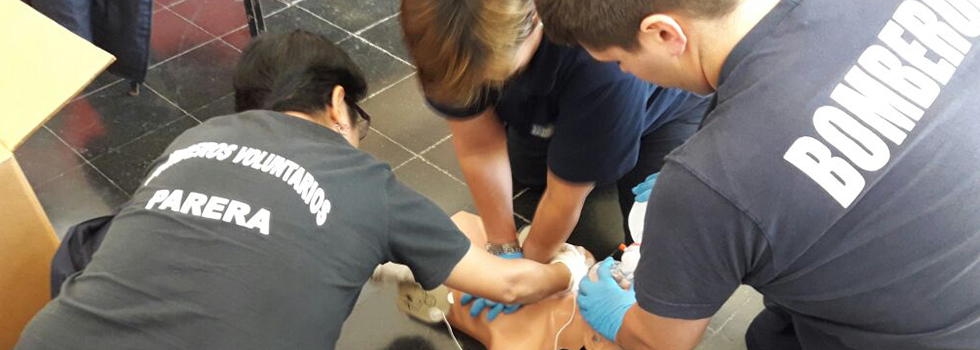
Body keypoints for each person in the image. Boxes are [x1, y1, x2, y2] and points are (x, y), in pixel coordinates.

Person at [14, 30, 588, 350]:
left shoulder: (195, 139)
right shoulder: (365, 182)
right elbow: (510, 283)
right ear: (339, 104)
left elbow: (228, 232)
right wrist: (569, 267)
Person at [534, 0, 980, 349]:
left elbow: (660, 341)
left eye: (615, 61)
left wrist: (623, 317)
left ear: (664, 33)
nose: (624, 74)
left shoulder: (710, 180)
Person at [399, 0, 710, 319]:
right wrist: (503, 248)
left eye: (494, 78)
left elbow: (564, 197)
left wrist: (527, 273)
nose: (484, 90)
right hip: (558, 92)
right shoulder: (441, 40)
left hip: (660, 105)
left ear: (535, 18)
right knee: (531, 174)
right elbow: (478, 146)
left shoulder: (598, 60)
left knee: (651, 232)